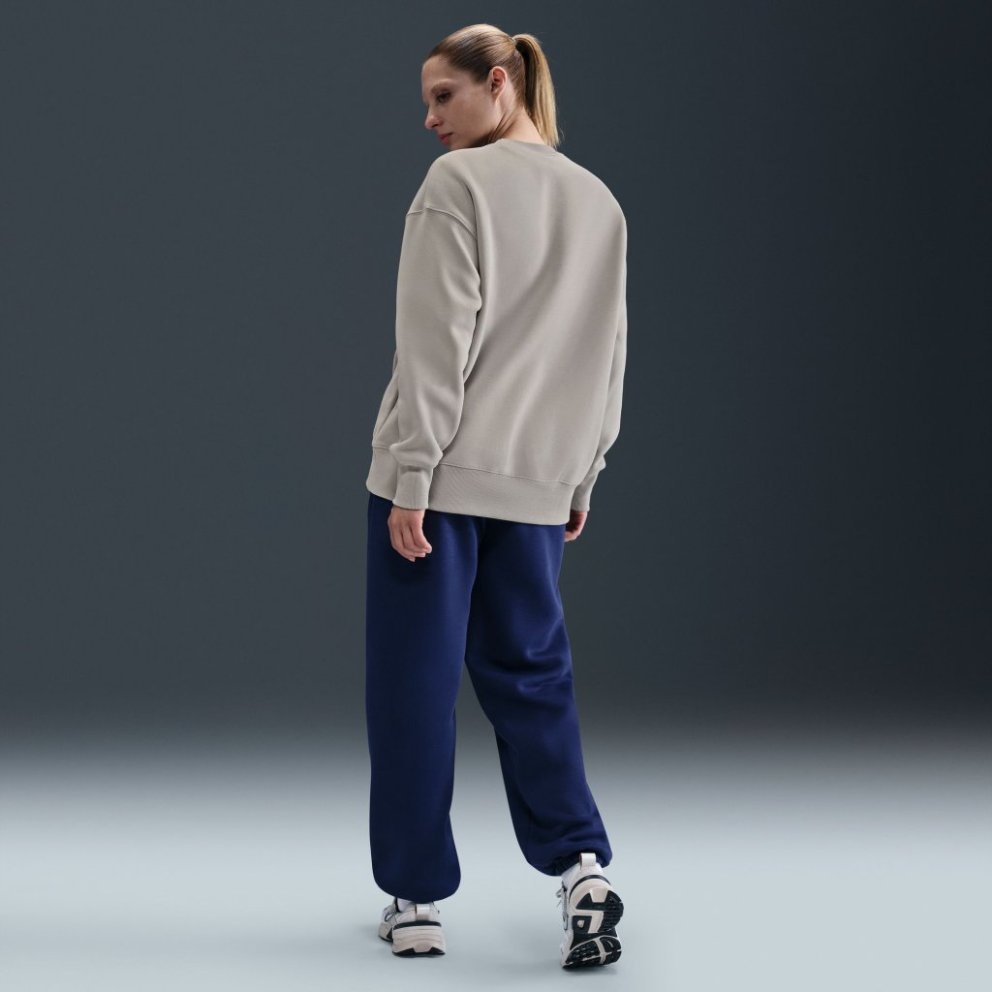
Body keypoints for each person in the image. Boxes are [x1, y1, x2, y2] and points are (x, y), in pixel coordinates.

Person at [364, 23, 628, 969]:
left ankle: (416, 899)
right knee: (533, 678)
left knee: (415, 686)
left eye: (444, 95)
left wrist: (412, 477)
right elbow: (607, 353)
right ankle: (583, 870)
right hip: (538, 486)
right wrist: (583, 472)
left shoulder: (456, 185)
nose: (430, 118)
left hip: (437, 485)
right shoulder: (598, 200)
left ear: (501, 81)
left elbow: (437, 343)